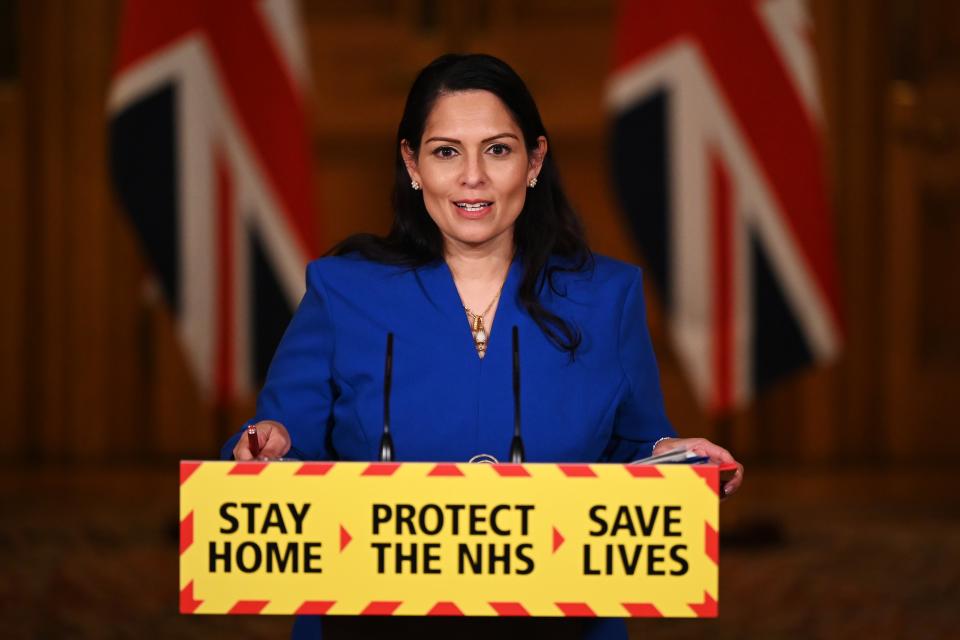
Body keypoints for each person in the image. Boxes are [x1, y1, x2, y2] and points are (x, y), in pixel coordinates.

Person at [223, 53, 743, 640]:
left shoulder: (607, 295)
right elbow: (275, 443)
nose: (473, 176)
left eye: (498, 149)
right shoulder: (342, 291)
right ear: (412, 163)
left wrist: (673, 457)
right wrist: (266, 446)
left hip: (561, 623)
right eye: (446, 151)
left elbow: (632, 446)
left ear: (534, 161)